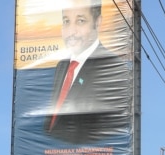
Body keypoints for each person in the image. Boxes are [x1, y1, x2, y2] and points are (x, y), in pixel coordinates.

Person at [44, 0, 131, 144]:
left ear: (97, 23)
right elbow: (53, 121)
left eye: (80, 21)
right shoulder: (62, 66)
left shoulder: (114, 68)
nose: (71, 31)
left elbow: (110, 131)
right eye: (66, 21)